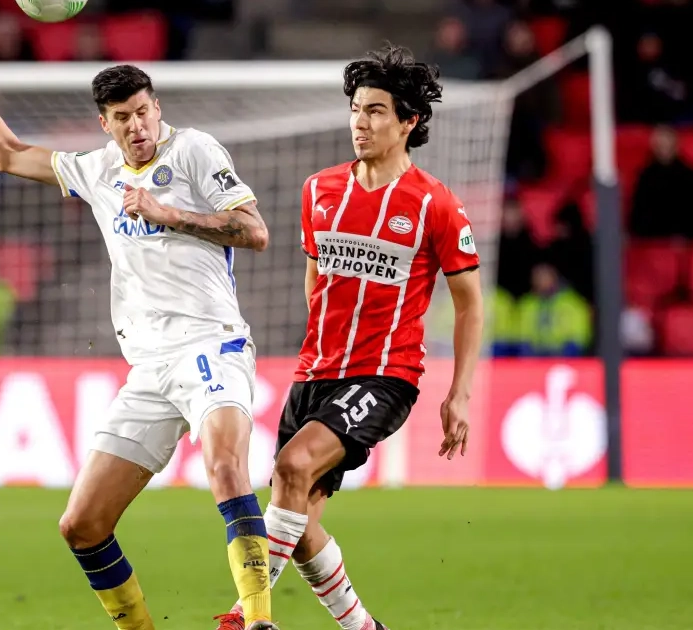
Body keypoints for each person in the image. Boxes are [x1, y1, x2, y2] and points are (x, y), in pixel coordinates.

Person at [0, 28, 278, 630]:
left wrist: (167, 212)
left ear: (157, 108)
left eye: (144, 112)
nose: (138, 126)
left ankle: (258, 620)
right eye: (123, 118)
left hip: (212, 344)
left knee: (226, 468)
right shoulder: (98, 170)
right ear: (105, 124)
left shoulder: (195, 151)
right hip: (149, 367)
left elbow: (254, 231)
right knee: (81, 525)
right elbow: (6, 154)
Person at [214, 44, 484, 630]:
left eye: (376, 111)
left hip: (386, 374)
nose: (360, 122)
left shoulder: (435, 205)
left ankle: (246, 617)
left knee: (292, 466)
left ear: (409, 121)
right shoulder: (319, 189)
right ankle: (365, 628)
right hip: (315, 373)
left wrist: (459, 393)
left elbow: (469, 304)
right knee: (300, 520)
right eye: (356, 109)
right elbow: (316, 277)